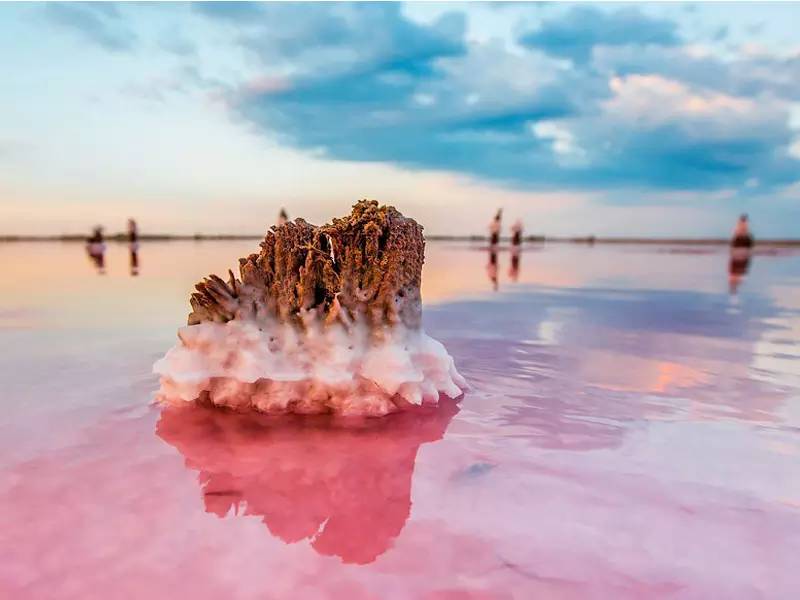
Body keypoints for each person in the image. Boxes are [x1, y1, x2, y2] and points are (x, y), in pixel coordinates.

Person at [729, 214, 754, 294]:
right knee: (739, 271)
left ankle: (734, 286)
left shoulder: (742, 226)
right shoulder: (740, 226)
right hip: (740, 246)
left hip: (741, 246)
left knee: (739, 271)